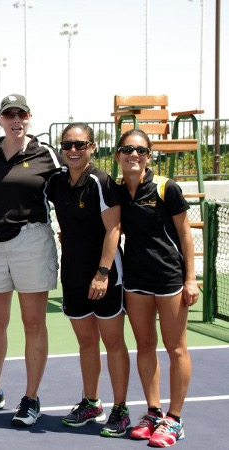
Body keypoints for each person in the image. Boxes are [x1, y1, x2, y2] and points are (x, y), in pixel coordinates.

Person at [0, 94, 64, 427]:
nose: (15, 119)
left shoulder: (45, 154)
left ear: (29, 117)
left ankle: (31, 397)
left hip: (31, 241)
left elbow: (69, 188)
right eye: (9, 115)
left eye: (21, 114)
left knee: (33, 322)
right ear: (0, 119)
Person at [46, 123, 131, 437]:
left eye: (80, 145)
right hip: (72, 274)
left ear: (92, 147)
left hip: (103, 277)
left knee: (112, 343)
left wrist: (103, 273)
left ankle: (120, 408)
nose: (73, 150)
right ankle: (92, 402)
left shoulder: (100, 181)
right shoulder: (57, 181)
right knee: (86, 342)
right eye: (68, 145)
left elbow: (114, 229)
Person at [115, 129, 198, 447]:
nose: (133, 155)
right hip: (136, 282)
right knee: (145, 346)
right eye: (127, 150)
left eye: (140, 150)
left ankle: (174, 420)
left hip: (169, 280)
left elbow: (185, 234)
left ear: (149, 155)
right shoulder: (118, 191)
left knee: (176, 348)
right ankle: (153, 413)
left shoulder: (167, 188)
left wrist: (190, 278)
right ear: (119, 155)